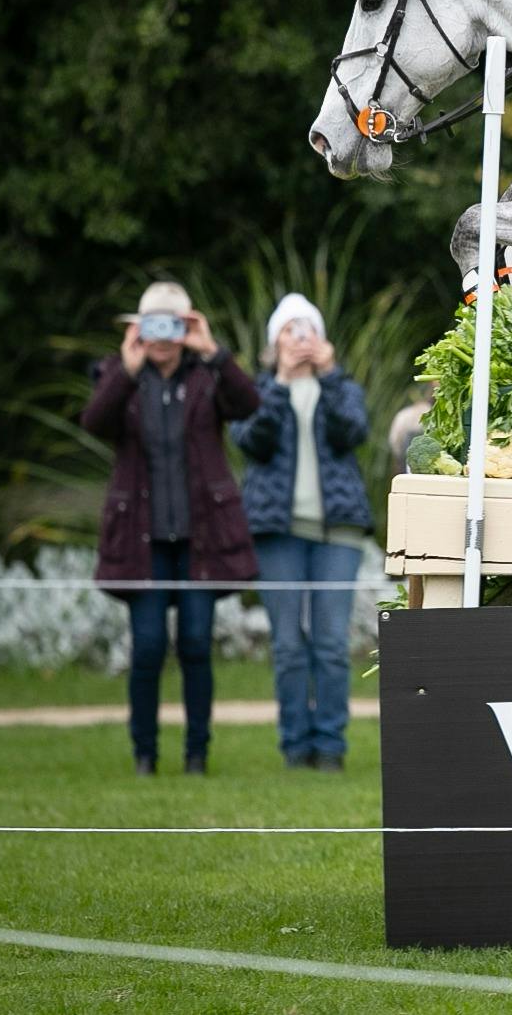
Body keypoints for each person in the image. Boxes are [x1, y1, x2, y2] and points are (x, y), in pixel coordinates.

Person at [79, 280, 259, 776]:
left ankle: (197, 754)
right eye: (152, 325)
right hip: (143, 540)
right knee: (148, 647)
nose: (161, 337)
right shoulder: (118, 375)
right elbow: (94, 422)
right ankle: (145, 754)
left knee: (196, 645)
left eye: (172, 325)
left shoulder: (207, 375)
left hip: (200, 539)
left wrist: (214, 352)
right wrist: (126, 369)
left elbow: (249, 403)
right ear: (138, 329)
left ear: (186, 328)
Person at [231, 292, 374, 772]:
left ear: (321, 338)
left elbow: (353, 431)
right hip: (277, 533)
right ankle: (295, 747)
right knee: (289, 645)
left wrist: (329, 375)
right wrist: (280, 383)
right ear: (274, 342)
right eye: (289, 331)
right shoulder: (256, 392)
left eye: (307, 329)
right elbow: (252, 441)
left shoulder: (342, 387)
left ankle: (330, 747)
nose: (299, 338)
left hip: (339, 532)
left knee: (331, 643)